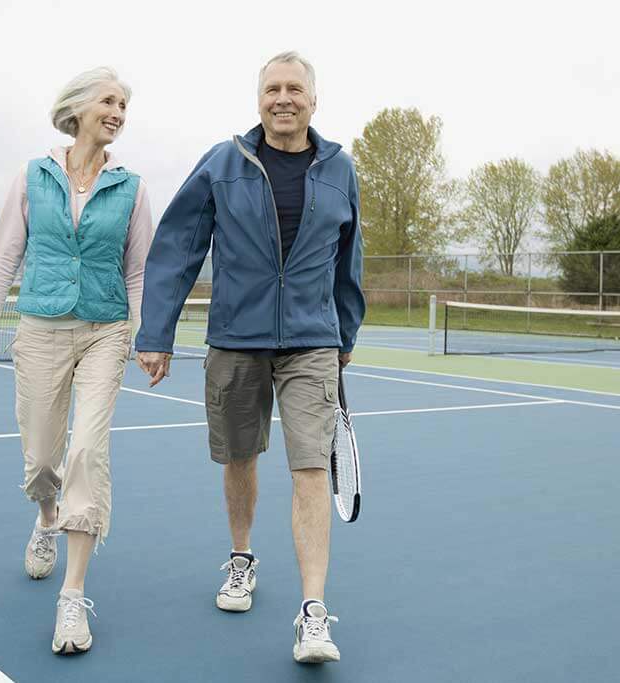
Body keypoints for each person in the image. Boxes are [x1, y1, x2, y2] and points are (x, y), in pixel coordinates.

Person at [136, 51, 365, 664]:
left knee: (311, 467)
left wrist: (346, 332)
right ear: (258, 99)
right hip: (236, 338)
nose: (282, 98)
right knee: (240, 457)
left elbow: (350, 260)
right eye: (272, 88)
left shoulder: (340, 169)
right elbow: (178, 247)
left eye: (294, 89)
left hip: (311, 342)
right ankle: (242, 558)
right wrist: (156, 332)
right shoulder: (222, 163)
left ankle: (313, 612)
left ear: (314, 101)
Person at [0, 66, 154, 655]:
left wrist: (146, 336)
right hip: (40, 327)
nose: (118, 112)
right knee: (43, 461)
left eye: (125, 104)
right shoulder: (32, 176)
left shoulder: (134, 187)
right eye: (109, 101)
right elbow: (1, 262)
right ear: (79, 107)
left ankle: (73, 596)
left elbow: (139, 270)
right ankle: (47, 519)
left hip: (105, 329)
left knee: (87, 452)